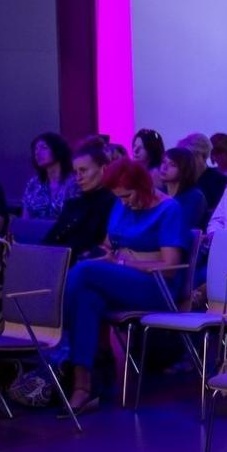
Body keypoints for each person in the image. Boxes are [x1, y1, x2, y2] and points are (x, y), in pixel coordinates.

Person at [59, 160, 189, 413]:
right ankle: (82, 385)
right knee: (86, 297)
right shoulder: (119, 204)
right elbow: (110, 245)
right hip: (121, 279)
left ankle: (62, 346)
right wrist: (115, 257)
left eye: (128, 195)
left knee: (83, 272)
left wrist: (124, 260)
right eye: (120, 197)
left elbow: (170, 266)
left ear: (143, 186)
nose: (125, 202)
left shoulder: (168, 209)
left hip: (156, 287)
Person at [45, 138, 116, 259]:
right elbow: (50, 239)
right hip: (55, 261)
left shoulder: (113, 203)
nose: (78, 177)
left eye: (83, 170)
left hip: (85, 265)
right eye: (76, 172)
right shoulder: (72, 204)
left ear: (103, 169)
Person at [23, 132, 77, 221]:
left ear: (57, 150)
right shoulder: (33, 184)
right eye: (36, 149)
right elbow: (25, 218)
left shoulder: (74, 182)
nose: (37, 153)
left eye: (43, 148)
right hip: (36, 233)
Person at [158, 148, 209, 230]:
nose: (164, 168)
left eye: (172, 165)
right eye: (164, 162)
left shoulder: (194, 197)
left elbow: (182, 229)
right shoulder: (158, 193)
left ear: (184, 170)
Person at [178, 133, 227, 212]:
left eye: (191, 156)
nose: (185, 160)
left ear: (204, 156)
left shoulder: (218, 181)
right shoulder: (181, 179)